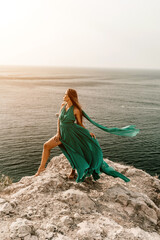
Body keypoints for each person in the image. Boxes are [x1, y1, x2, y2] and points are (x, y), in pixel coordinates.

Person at [34, 88, 140, 182]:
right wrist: (58, 133)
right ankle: (41, 169)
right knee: (46, 146)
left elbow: (80, 124)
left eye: (65, 94)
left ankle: (73, 171)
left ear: (70, 97)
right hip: (62, 134)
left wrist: (88, 133)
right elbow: (59, 120)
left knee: (74, 153)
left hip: (72, 134)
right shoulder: (63, 105)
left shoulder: (76, 110)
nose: (64, 96)